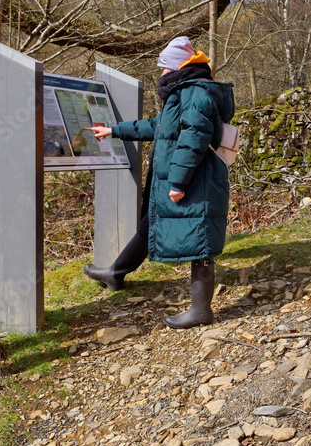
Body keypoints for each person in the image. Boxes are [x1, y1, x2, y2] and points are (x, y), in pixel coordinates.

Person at [81, 36, 235, 329]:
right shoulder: (184, 93)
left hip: (196, 181)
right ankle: (116, 272)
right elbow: (156, 125)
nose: (161, 73)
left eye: (164, 67)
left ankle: (201, 311)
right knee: (151, 223)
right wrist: (113, 130)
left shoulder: (194, 94)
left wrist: (177, 182)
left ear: (178, 67)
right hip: (192, 179)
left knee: (200, 240)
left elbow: (193, 140)